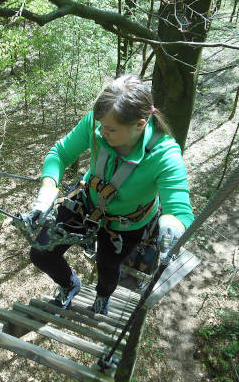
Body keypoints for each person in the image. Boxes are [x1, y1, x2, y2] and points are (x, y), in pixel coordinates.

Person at [25, 74, 194, 315]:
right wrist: (47, 189)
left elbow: (180, 211)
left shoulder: (165, 156)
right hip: (86, 203)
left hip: (126, 224)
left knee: (107, 267)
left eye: (111, 129)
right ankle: (69, 284)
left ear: (140, 124)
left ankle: (103, 296)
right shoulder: (99, 122)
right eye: (100, 124)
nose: (101, 132)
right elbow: (60, 154)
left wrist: (171, 226)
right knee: (41, 253)